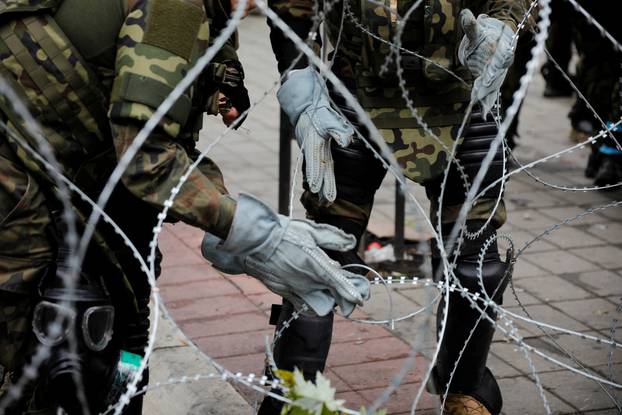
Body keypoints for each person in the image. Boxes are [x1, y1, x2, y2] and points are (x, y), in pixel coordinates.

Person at [0, 0, 369, 414]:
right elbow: (144, 157)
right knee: (37, 367)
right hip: (19, 193)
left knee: (107, 344)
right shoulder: (175, 8)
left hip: (52, 169)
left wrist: (222, 209)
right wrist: (248, 228)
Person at [259, 1, 526, 414]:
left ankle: (464, 389)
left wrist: (505, 25)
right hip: (356, 94)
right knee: (320, 257)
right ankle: (293, 396)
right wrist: (296, 73)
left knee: (476, 262)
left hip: (458, 93)